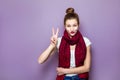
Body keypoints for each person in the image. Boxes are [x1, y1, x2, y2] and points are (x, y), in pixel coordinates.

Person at [38, 7, 91, 80]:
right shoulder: (59, 41)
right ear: (65, 26)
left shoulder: (85, 41)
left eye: (74, 25)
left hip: (80, 77)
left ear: (78, 25)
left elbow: (87, 68)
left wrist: (64, 71)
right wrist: (52, 45)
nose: (72, 29)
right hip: (64, 78)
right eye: (68, 26)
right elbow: (40, 60)